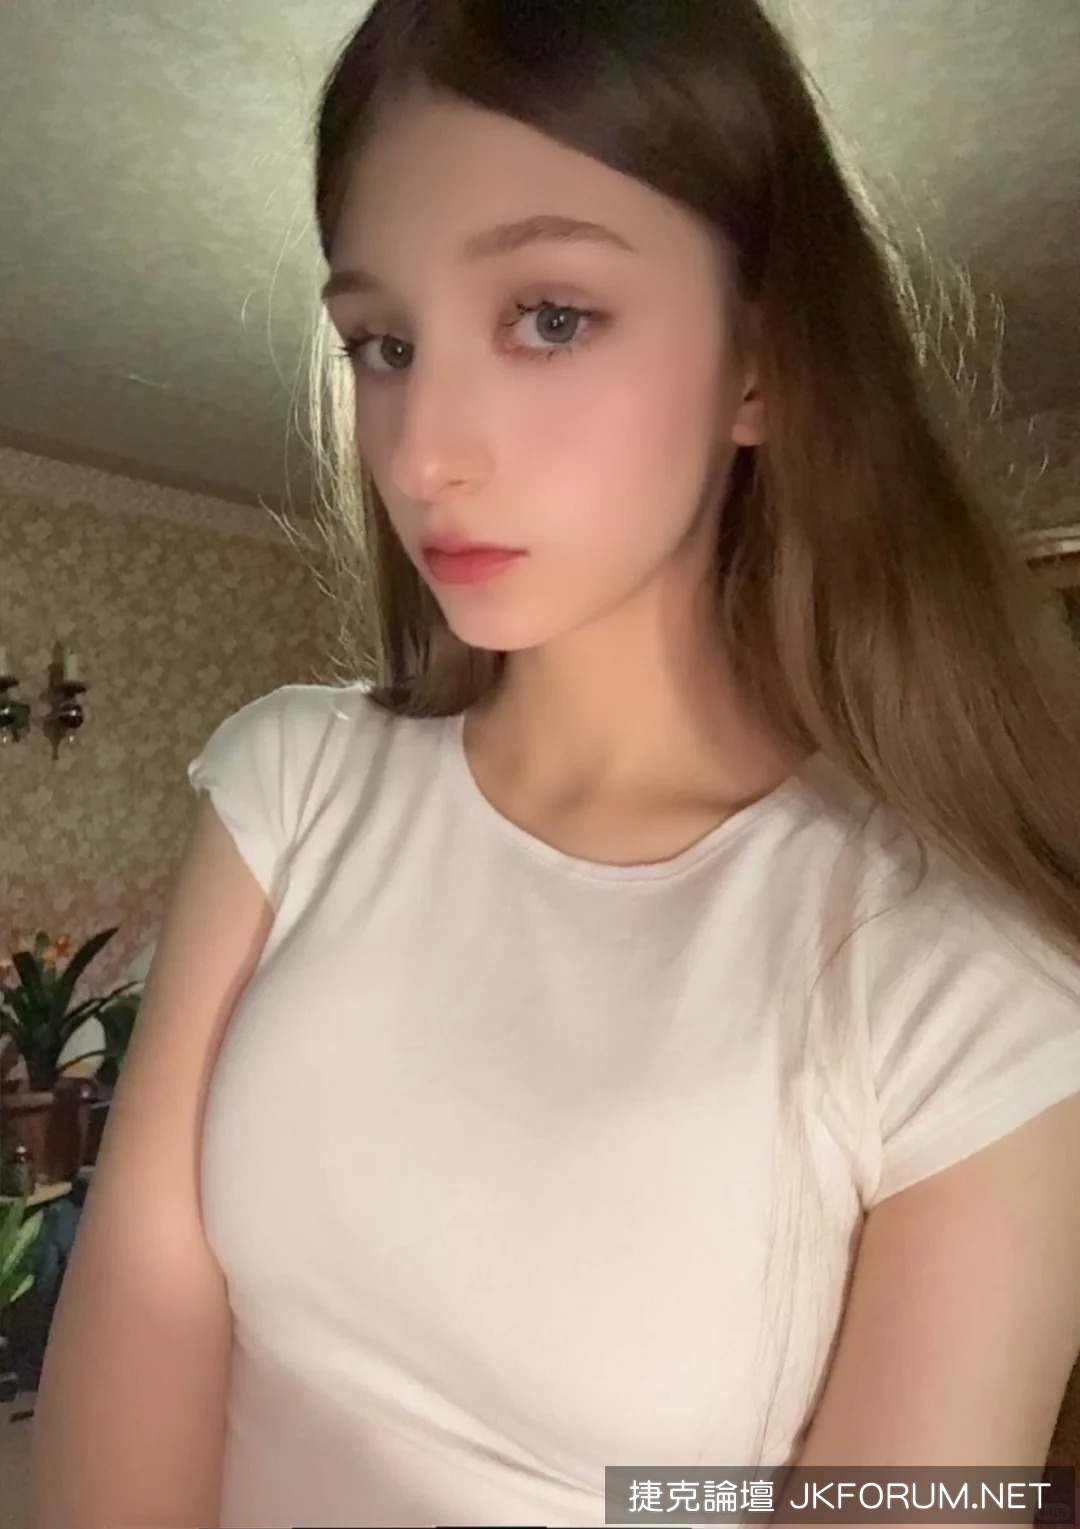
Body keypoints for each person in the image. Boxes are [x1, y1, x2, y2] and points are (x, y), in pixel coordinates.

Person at [31, 2, 1080, 1526]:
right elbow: (146, 1310)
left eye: (550, 318)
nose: (422, 451)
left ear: (761, 361)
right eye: (385, 344)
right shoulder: (292, 786)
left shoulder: (964, 989)